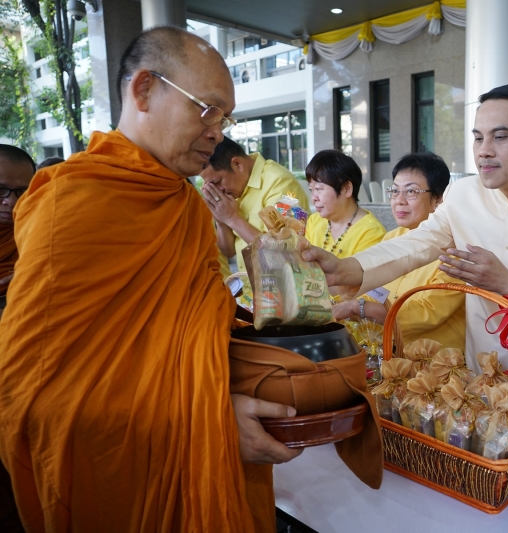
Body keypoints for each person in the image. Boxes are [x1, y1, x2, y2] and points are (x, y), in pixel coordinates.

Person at [0, 27, 301, 533]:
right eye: (206, 109)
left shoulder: (183, 206)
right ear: (143, 90)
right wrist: (206, 423)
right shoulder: (70, 204)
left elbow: (196, 334)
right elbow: (38, 398)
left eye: (225, 118)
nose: (217, 132)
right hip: (117, 484)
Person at [303, 82, 508, 372]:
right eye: (478, 137)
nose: (484, 150)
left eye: (500, 136)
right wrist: (348, 268)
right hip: (482, 379)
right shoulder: (464, 194)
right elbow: (417, 244)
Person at [333, 153, 466, 350]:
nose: (399, 201)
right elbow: (374, 293)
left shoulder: (455, 251)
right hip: (389, 354)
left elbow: (428, 312)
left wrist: (360, 308)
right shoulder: (392, 238)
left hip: (436, 365)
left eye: (411, 191)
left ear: (438, 199)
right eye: (394, 191)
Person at [200, 136, 309, 305]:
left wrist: (233, 218)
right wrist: (222, 220)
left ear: (237, 164)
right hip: (251, 296)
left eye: (218, 182)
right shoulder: (235, 190)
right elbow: (228, 251)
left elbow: (281, 251)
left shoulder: (280, 183)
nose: (218, 191)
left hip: (287, 296)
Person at [305, 149, 385, 257]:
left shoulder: (372, 233)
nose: (314, 198)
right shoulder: (314, 221)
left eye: (319, 189)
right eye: (311, 190)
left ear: (347, 189)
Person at [0, 145, 36, 316]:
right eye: (1, 190)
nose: (11, 201)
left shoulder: (44, 228)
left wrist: (35, 276)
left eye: (22, 191)